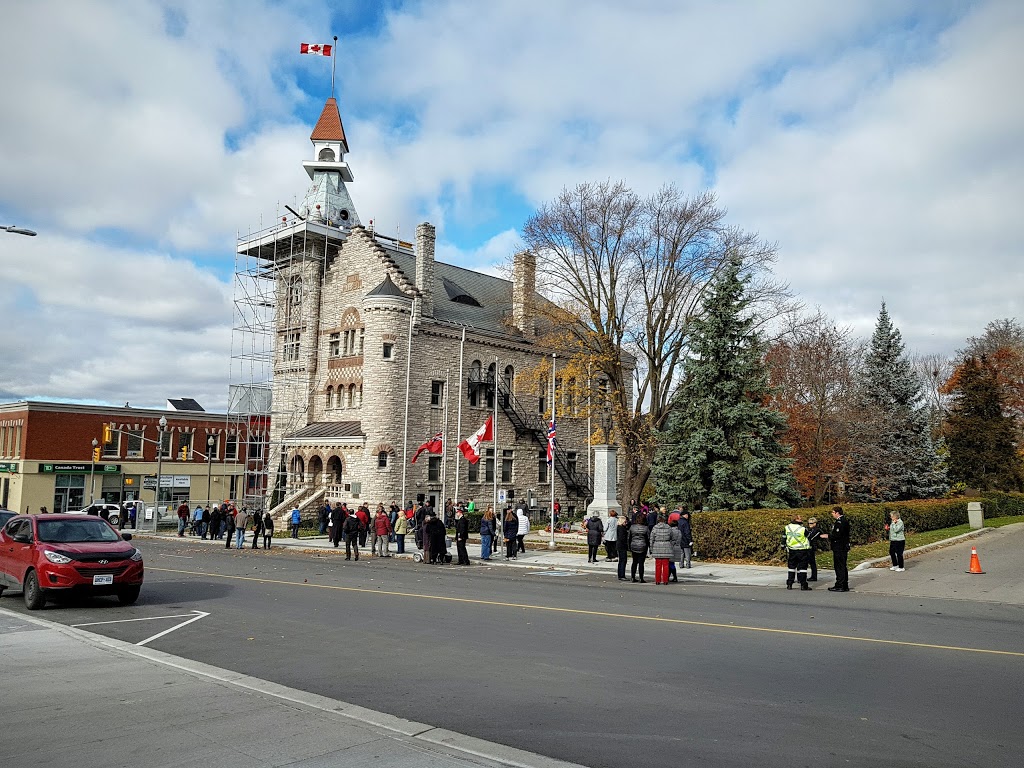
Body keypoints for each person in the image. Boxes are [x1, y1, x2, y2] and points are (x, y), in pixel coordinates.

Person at [784, 515, 813, 590]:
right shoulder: (802, 529)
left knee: (791, 567)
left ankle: (789, 584)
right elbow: (809, 536)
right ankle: (803, 585)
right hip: (802, 550)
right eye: (800, 518)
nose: (802, 519)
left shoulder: (787, 527)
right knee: (803, 568)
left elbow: (784, 537)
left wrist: (783, 546)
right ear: (796, 519)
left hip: (792, 549)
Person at [649, 513, 679, 585]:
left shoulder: (655, 528)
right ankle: (665, 580)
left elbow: (651, 539)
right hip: (666, 546)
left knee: (658, 565)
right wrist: (670, 545)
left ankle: (657, 580)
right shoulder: (668, 528)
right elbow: (672, 537)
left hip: (657, 546)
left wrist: (651, 548)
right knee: (666, 565)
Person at [828, 506, 851, 592]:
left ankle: (840, 584)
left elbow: (838, 535)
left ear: (837, 513)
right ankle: (843, 584)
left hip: (839, 547)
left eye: (833, 512)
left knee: (839, 566)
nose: (832, 514)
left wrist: (828, 536)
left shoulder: (841, 522)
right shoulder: (842, 521)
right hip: (841, 547)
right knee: (842, 566)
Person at [627, 516, 650, 583]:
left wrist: (629, 546)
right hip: (642, 546)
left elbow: (629, 537)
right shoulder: (645, 528)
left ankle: (632, 577)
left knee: (634, 562)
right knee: (641, 563)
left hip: (634, 545)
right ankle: (641, 578)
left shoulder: (632, 527)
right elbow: (648, 538)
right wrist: (649, 547)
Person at [806, 516, 825, 581]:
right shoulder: (810, 530)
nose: (809, 525)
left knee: (812, 562)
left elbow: (811, 537)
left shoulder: (817, 530)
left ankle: (814, 576)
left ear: (815, 523)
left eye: (811, 523)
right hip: (808, 547)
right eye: (809, 523)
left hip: (812, 547)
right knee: (807, 562)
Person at [615, 514, 630, 580]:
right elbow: (622, 538)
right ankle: (621, 575)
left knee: (621, 560)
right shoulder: (621, 528)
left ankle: (621, 574)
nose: (626, 523)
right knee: (623, 560)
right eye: (625, 522)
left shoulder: (620, 527)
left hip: (620, 545)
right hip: (622, 546)